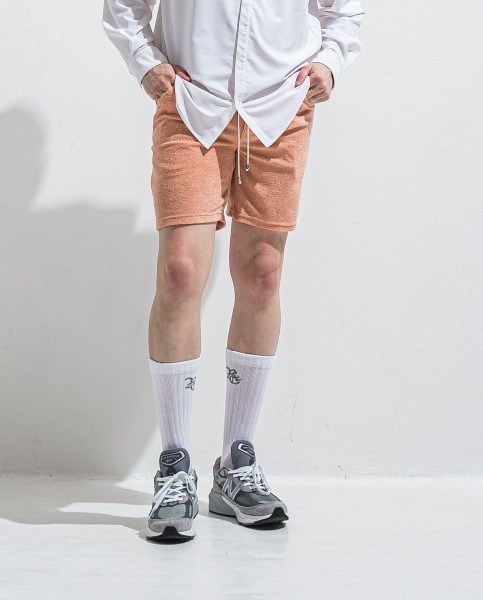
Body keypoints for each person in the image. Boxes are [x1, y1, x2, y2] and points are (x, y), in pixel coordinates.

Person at [102, 0, 365, 541]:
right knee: (180, 272)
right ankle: (175, 466)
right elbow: (124, 6)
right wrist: (145, 62)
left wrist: (330, 61)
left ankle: (235, 465)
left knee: (263, 271)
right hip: (191, 102)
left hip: (280, 107)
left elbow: (344, 10)